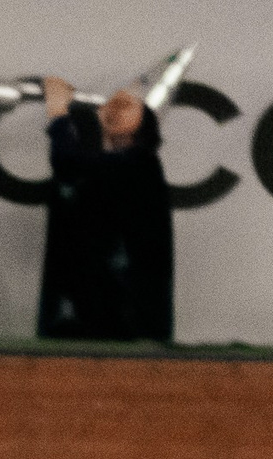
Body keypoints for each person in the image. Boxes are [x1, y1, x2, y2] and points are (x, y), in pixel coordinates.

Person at [35, 81, 173, 343]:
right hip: (108, 306)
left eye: (128, 106)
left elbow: (67, 163)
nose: (116, 107)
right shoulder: (123, 166)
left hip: (123, 313)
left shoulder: (138, 165)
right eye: (114, 105)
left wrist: (58, 111)